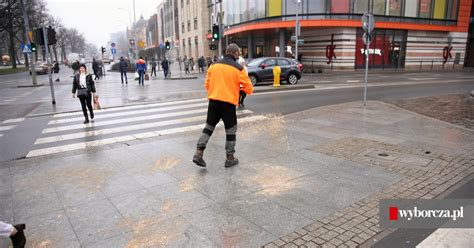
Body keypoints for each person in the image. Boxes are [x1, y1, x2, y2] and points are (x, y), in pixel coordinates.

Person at [193, 43, 253, 168]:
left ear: (226, 52)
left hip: (214, 101)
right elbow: (249, 89)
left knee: (208, 127)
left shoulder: (213, 66)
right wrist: (239, 88)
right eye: (238, 53)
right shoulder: (238, 69)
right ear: (236, 53)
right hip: (228, 103)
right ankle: (229, 158)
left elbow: (207, 85)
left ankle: (199, 153)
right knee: (231, 130)